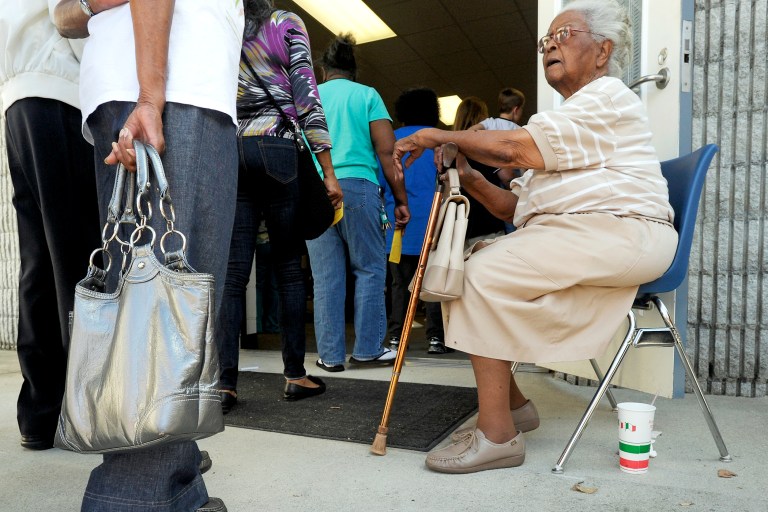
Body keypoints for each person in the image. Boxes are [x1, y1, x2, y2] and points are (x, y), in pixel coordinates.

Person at [393, 0, 678, 474]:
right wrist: (467, 173)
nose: (549, 45)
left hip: (624, 230)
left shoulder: (606, 97)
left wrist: (435, 134)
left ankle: (498, 436)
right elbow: (512, 206)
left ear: (603, 50)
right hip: (586, 232)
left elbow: (513, 146)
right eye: (546, 38)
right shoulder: (570, 117)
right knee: (465, 268)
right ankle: (514, 409)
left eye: (564, 34)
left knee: (479, 274)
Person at [54, 0, 243, 510]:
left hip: (120, 86)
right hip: (176, 87)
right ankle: (131, 498)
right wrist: (151, 96)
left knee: (153, 307)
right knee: (166, 324)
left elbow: (63, 15)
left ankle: (180, 493)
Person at [217, 0, 342, 409]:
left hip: (233, 150)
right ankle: (294, 375)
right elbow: (307, 95)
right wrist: (327, 169)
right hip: (278, 147)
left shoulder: (224, 26)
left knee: (234, 275)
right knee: (289, 268)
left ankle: (225, 384)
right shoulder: (285, 22)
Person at [1, 0, 101, 451]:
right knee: (75, 258)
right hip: (62, 87)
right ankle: (86, 413)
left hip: (19, 96)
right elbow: (72, 16)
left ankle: (40, 413)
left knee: (39, 259)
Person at [308, 33, 410, 372]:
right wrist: (400, 199)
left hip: (316, 190)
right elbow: (386, 151)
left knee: (326, 278)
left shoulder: (309, 97)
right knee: (369, 269)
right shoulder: (367, 95)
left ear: (323, 71)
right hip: (359, 188)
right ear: (353, 71)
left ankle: (330, 356)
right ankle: (367, 349)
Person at [381, 87, 449, 355]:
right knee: (431, 284)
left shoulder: (391, 143)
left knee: (399, 285)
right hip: (432, 225)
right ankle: (435, 339)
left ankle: (397, 338)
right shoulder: (437, 141)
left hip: (398, 227)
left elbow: (380, 184)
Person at [452, 97, 506, 246]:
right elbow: (507, 177)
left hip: (460, 226)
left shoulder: (450, 151)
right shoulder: (486, 147)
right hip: (488, 220)